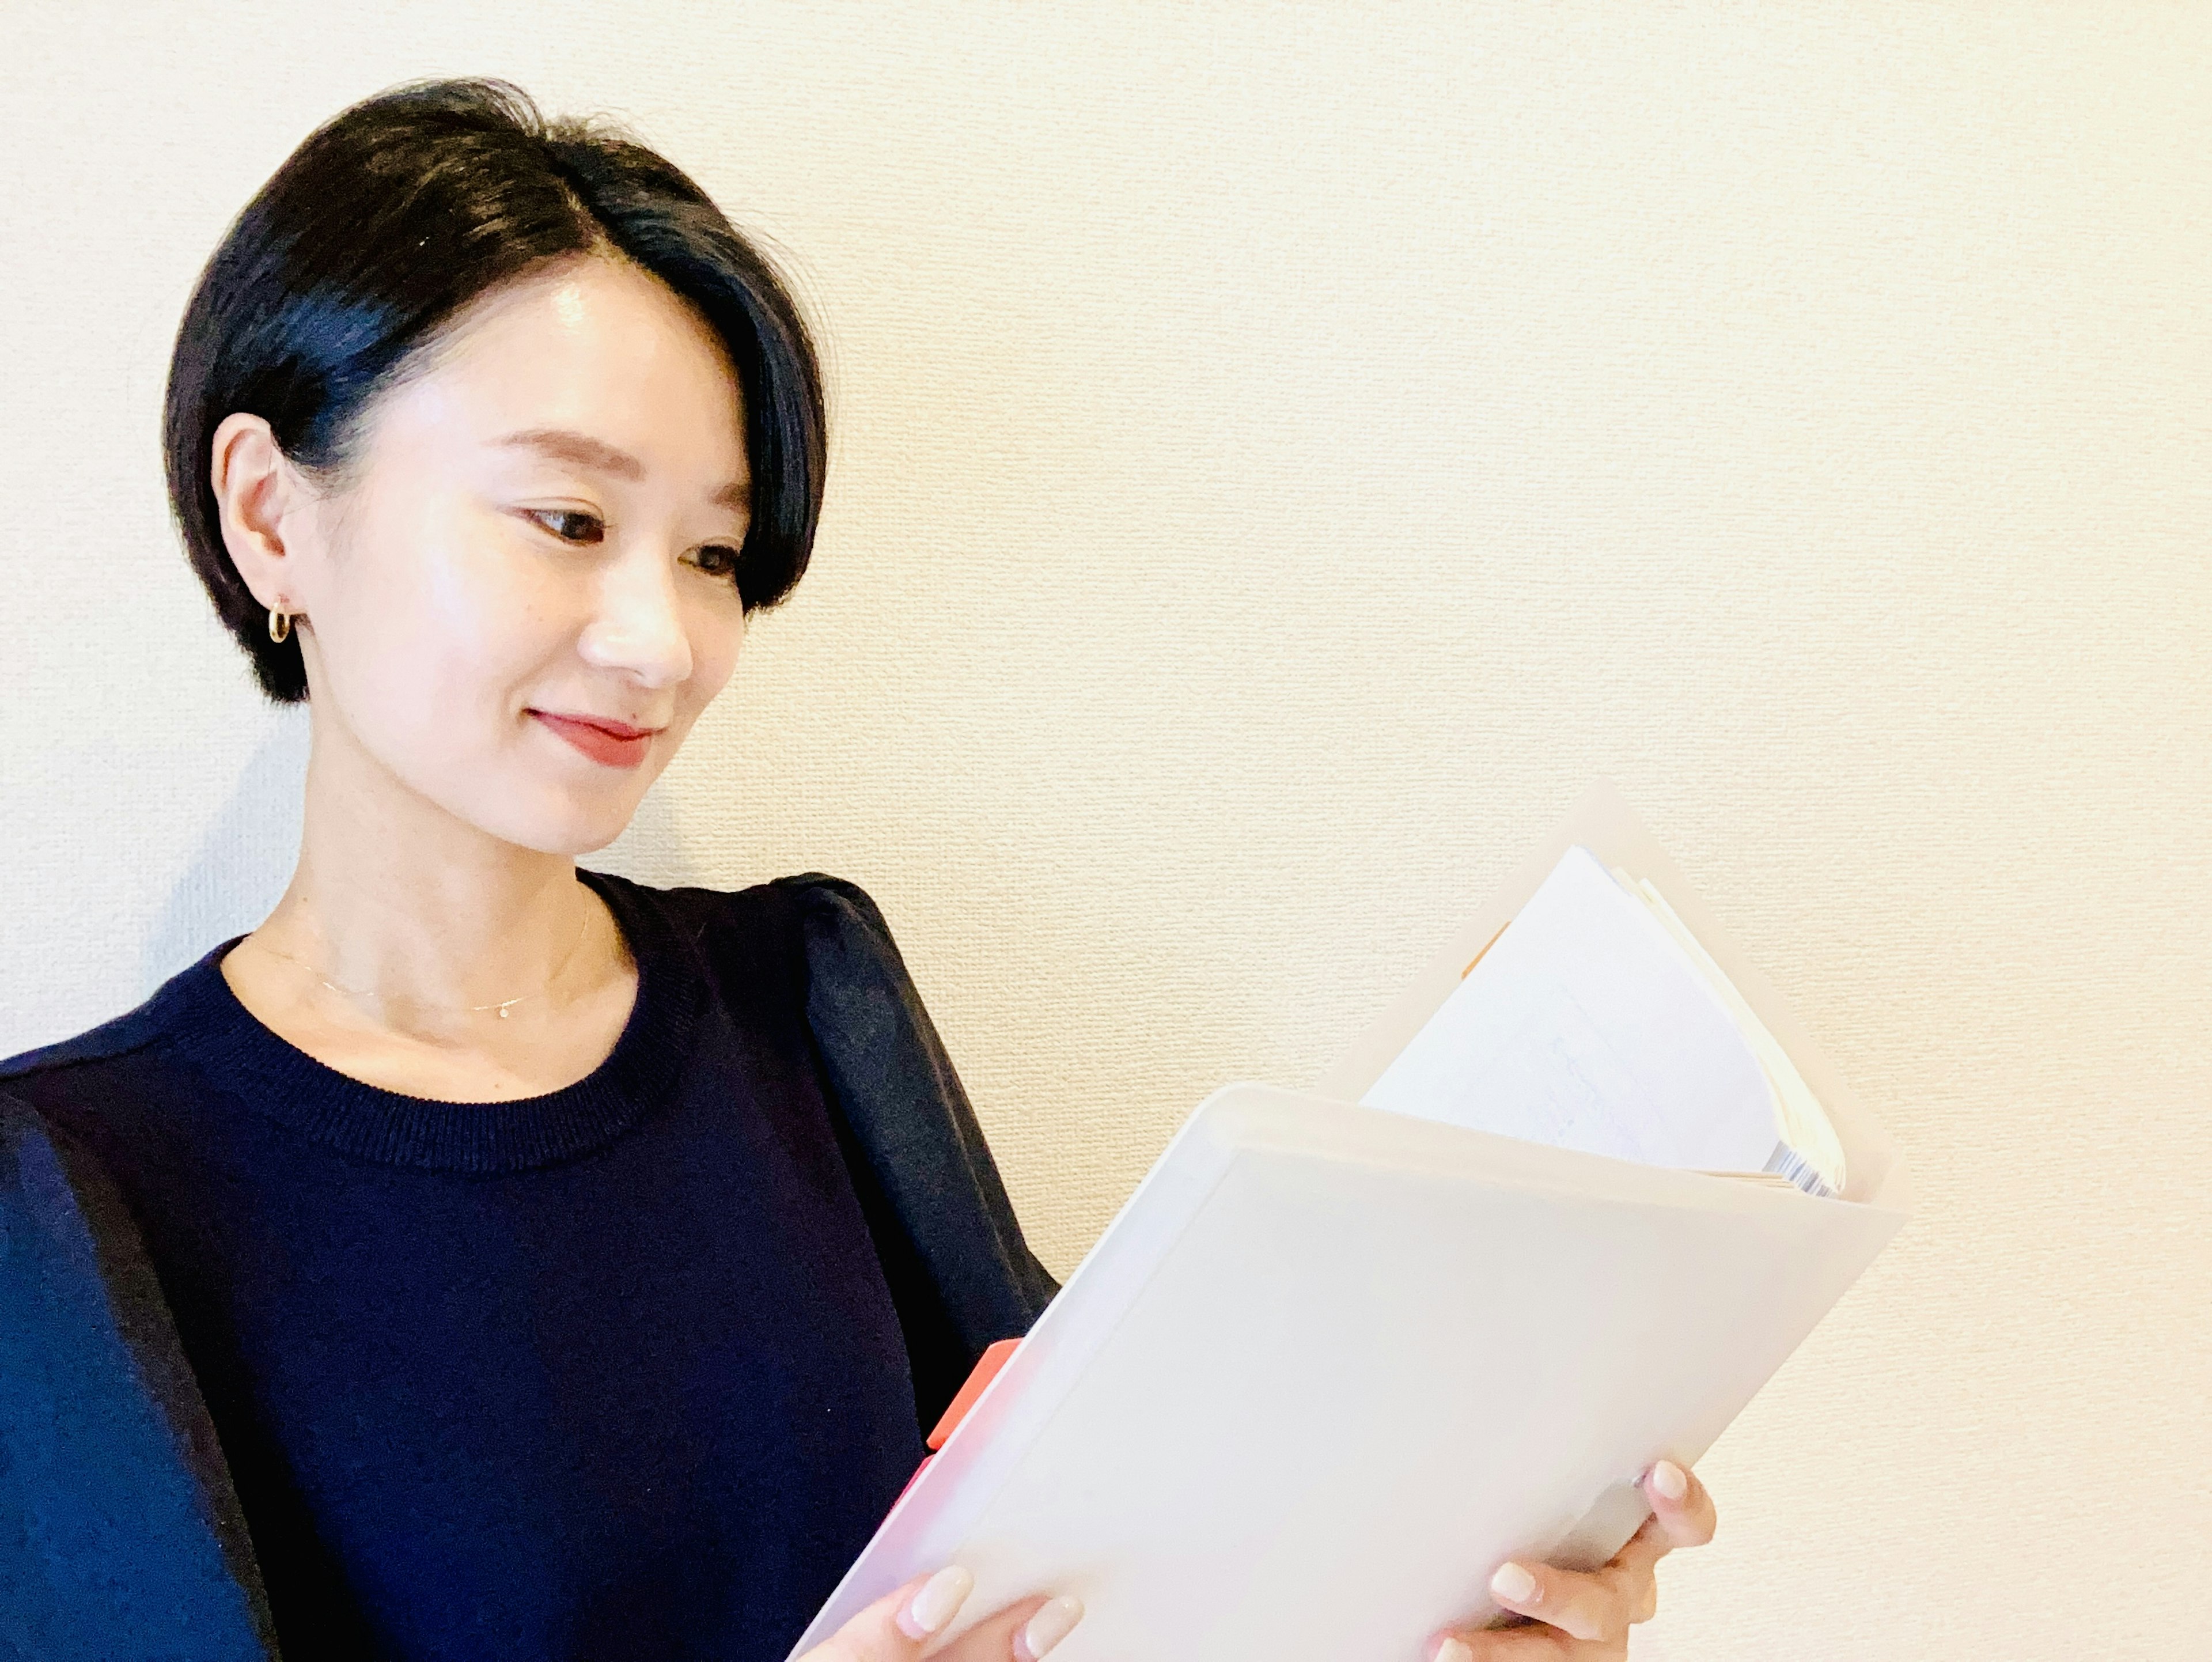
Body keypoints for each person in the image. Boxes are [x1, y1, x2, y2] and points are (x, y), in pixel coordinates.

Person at [0, 78, 1715, 1662]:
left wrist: (1427, 1600)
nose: (662, 642)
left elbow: (1113, 1596)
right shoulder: (70, 1196)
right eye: (572, 521)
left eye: (718, 553)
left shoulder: (805, 1001)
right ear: (270, 514)